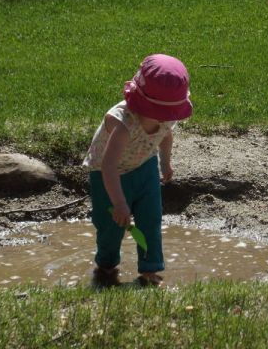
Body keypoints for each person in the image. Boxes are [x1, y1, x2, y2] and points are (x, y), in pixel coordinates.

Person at [82, 54, 192, 288]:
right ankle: (107, 267)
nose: (167, 119)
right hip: (108, 175)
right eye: (163, 113)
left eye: (170, 115)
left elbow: (165, 135)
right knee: (111, 224)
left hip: (145, 166)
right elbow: (108, 167)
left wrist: (165, 162)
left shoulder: (165, 118)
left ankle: (150, 271)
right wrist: (120, 204)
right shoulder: (123, 123)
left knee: (151, 219)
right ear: (144, 104)